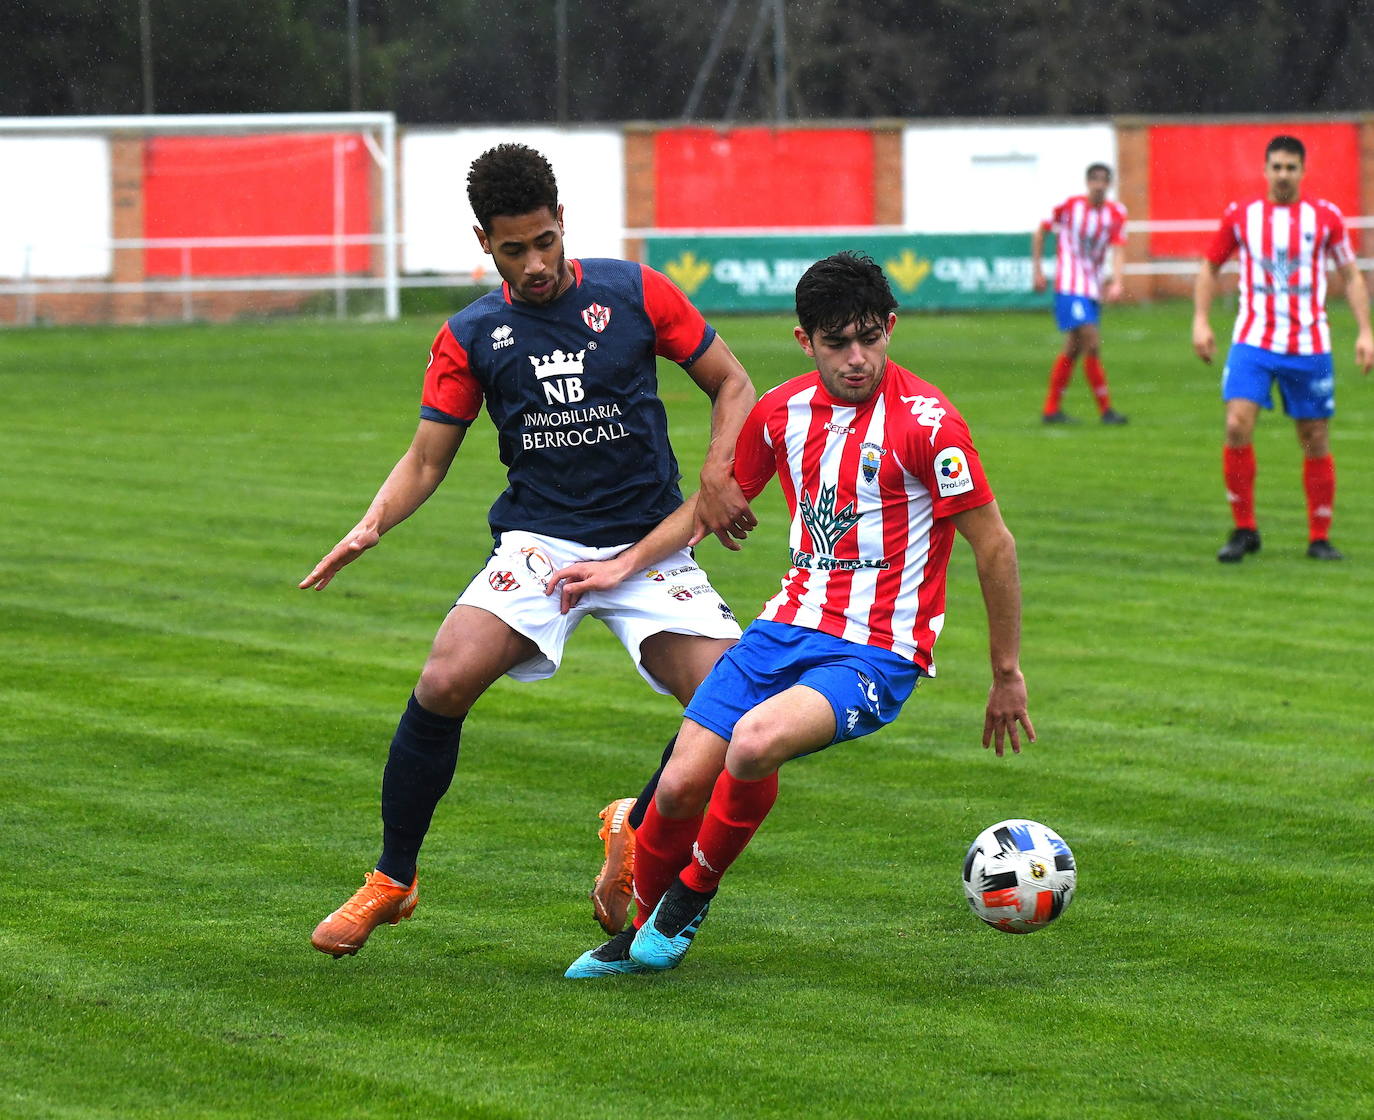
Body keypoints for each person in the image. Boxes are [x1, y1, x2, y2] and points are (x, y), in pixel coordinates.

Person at [301, 143, 758, 957]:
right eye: (515, 249)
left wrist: (719, 475)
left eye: (546, 240)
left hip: (648, 544)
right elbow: (426, 459)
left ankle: (638, 821)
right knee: (444, 677)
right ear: (485, 243)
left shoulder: (635, 293)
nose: (537, 262)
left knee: (732, 704)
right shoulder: (472, 334)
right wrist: (371, 524)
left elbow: (733, 381)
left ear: (562, 225)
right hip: (542, 545)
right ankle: (391, 880)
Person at [555, 252, 1034, 978]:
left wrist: (1006, 673)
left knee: (752, 744)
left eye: (871, 338)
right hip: (784, 628)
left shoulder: (929, 425)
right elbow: (708, 511)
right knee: (680, 784)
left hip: (876, 648)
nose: (857, 358)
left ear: (891, 328)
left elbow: (993, 544)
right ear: (804, 340)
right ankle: (645, 934)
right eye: (837, 342)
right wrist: (623, 565)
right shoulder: (780, 411)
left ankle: (690, 899)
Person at [1192, 134, 1373, 563]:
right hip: (1253, 339)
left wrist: (1365, 330)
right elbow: (1209, 267)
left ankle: (1319, 535)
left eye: (1291, 167)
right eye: (1277, 167)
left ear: (1302, 171)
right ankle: (1244, 529)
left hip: (1309, 342)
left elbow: (1351, 275)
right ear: (1265, 170)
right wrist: (1200, 320)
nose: (1284, 175)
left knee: (1313, 436)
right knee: (1237, 424)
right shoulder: (1241, 216)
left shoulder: (1325, 217)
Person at [1031, 163, 1130, 425]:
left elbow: (1119, 248)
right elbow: (1041, 230)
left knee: (1073, 348)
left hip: (1093, 287)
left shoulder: (1116, 213)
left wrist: (1117, 281)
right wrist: (1038, 270)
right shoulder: (1069, 206)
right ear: (1087, 183)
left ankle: (1051, 410)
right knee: (1091, 341)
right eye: (1094, 179)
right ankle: (1106, 411)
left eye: (1103, 180)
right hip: (1069, 285)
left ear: (1109, 184)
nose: (1099, 184)